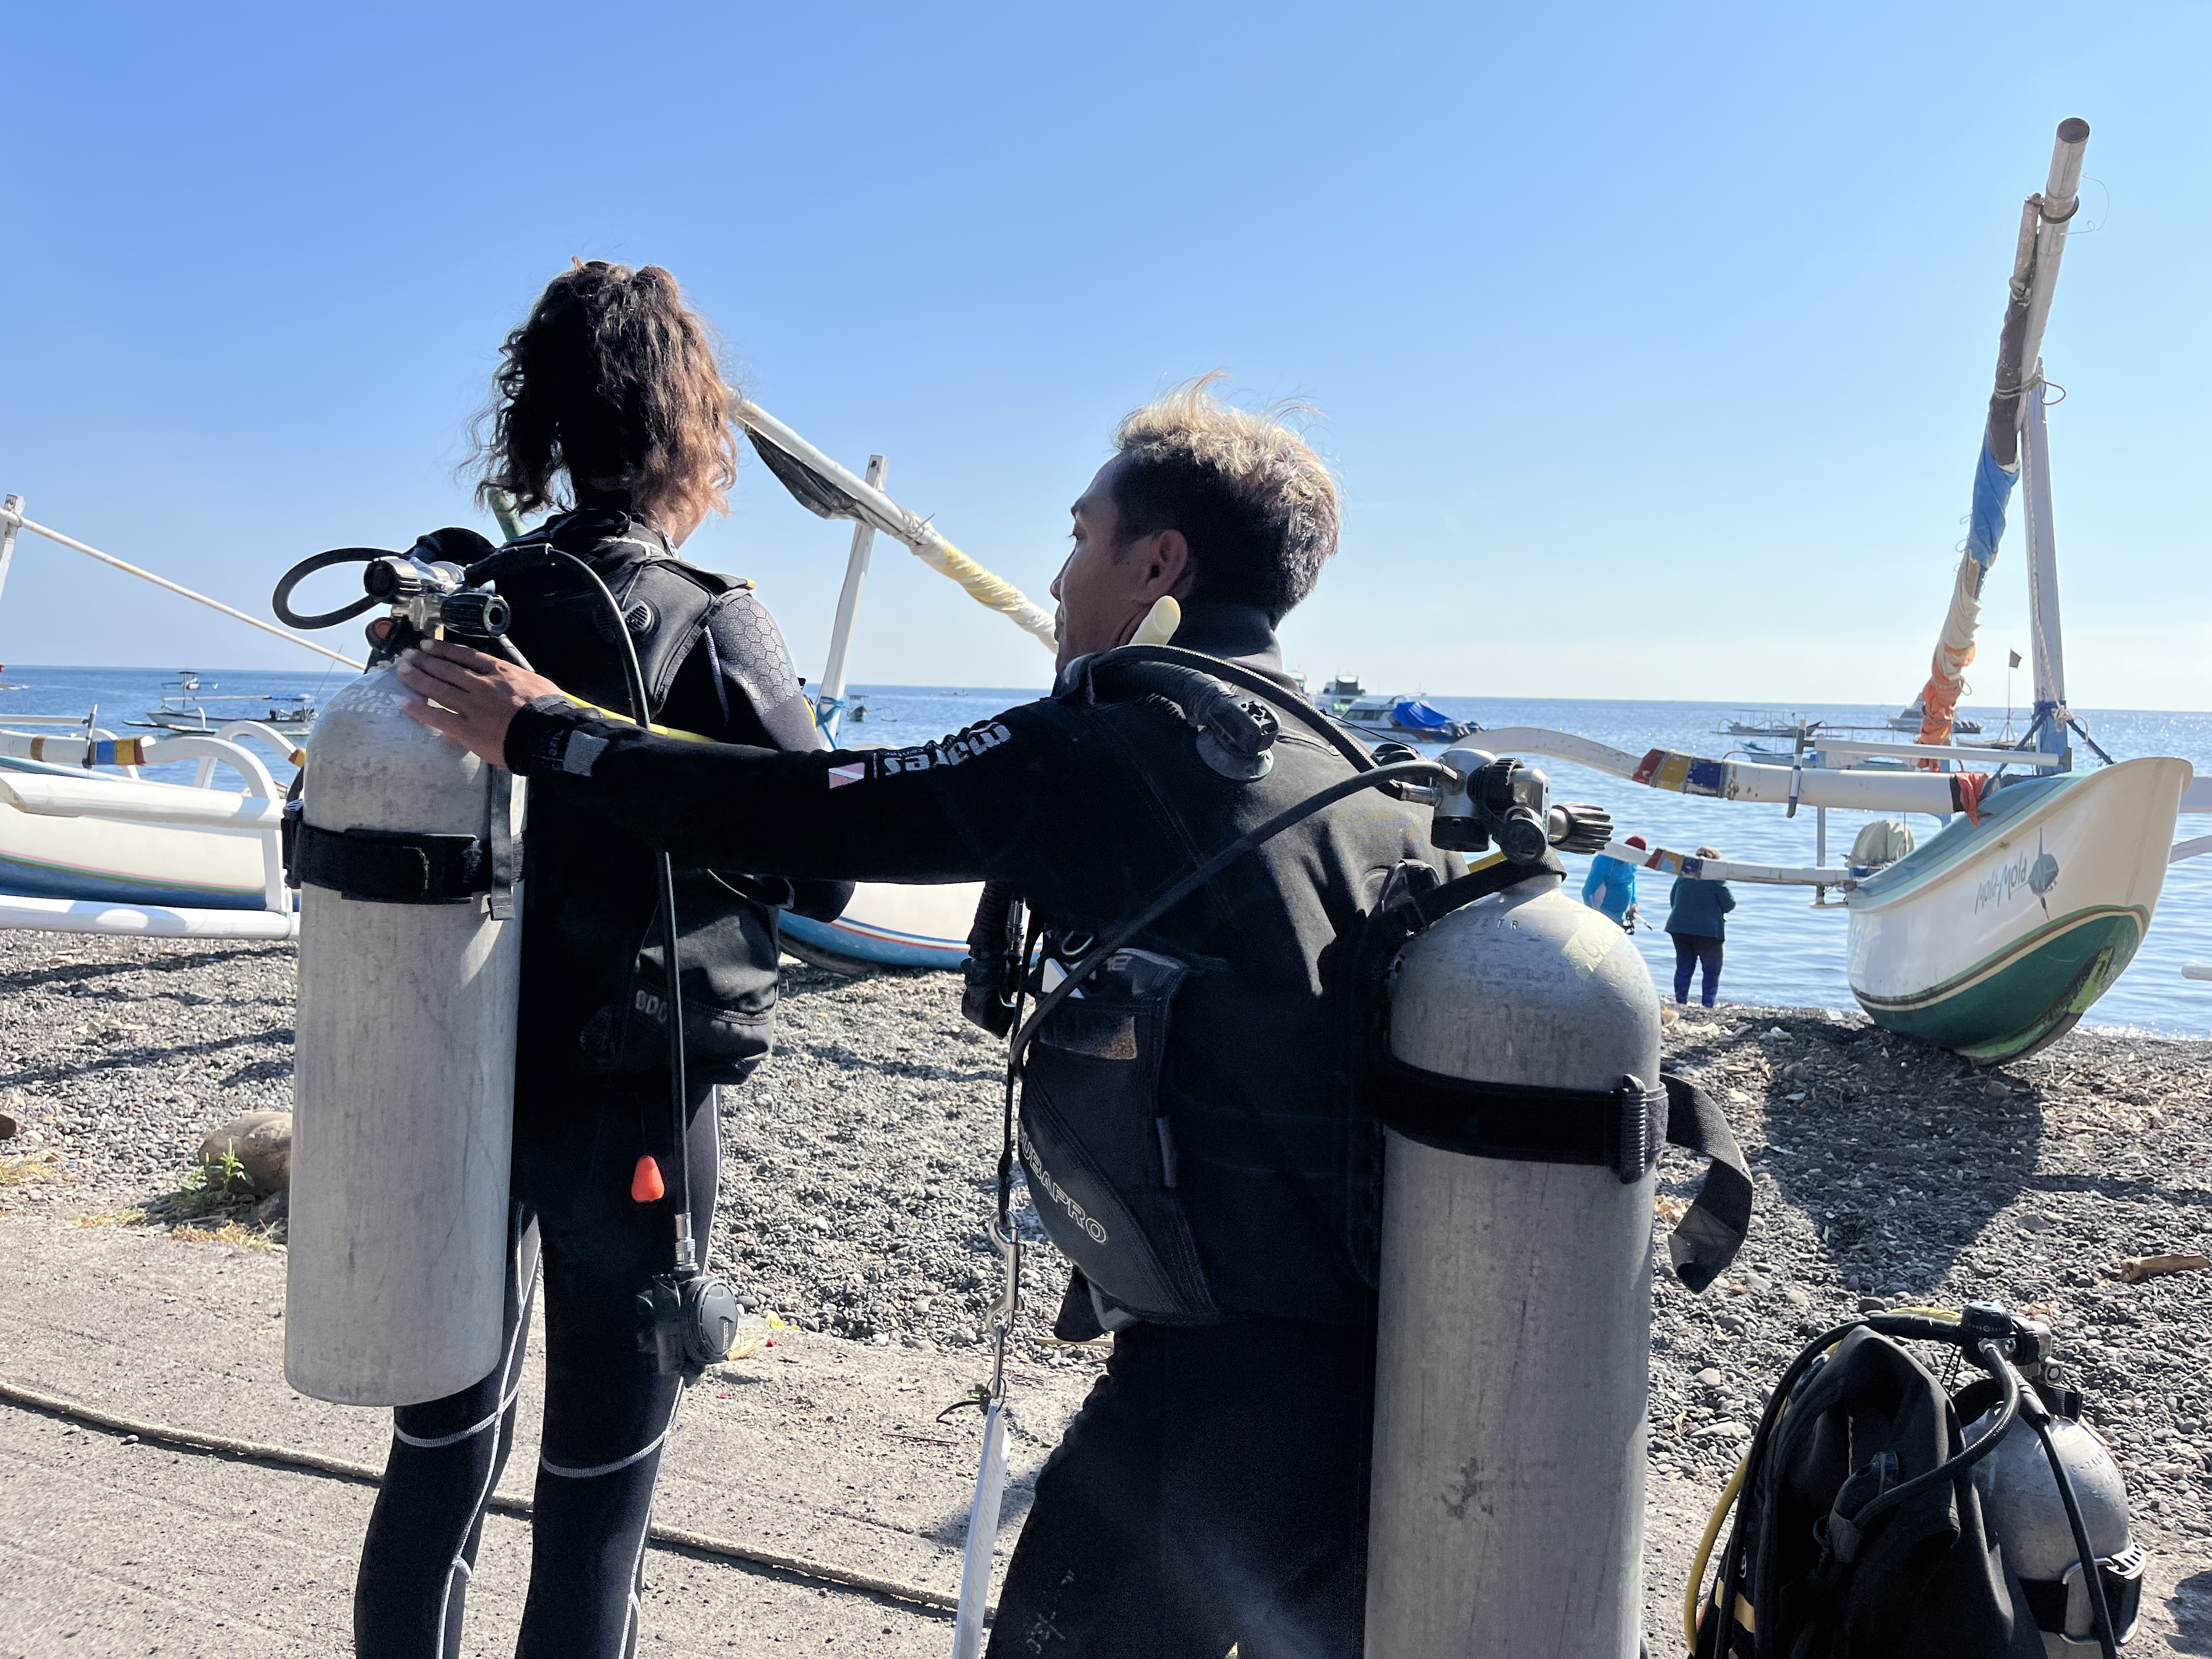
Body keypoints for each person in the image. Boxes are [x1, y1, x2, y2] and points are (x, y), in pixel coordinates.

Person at [395, 379, 1448, 1657]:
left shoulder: (1130, 745)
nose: (1060, 582)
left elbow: (829, 805)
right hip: (1375, 1365)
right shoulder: (1341, 767)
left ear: (1160, 560)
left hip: (1225, 1386)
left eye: (1080, 537)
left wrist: (550, 738)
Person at [352, 260, 850, 1659]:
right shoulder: (709, 613)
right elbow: (823, 858)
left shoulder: (466, 616)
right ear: (692, 426)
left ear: (542, 428)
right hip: (634, 1093)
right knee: (595, 1501)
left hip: (451, 1076)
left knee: (439, 1458)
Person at [1666, 844, 1735, 1007]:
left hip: (1680, 928)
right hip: (1709, 932)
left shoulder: (1684, 876)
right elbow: (1730, 904)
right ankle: (1708, 1005)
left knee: (1683, 968)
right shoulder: (1716, 879)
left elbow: (1673, 900)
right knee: (1711, 971)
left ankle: (1680, 1002)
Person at [1581, 832, 1647, 928]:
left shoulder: (1633, 863)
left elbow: (1631, 882)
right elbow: (1589, 890)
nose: (1635, 860)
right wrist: (1594, 914)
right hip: (1602, 917)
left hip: (1619, 919)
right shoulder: (1606, 860)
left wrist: (1634, 904)